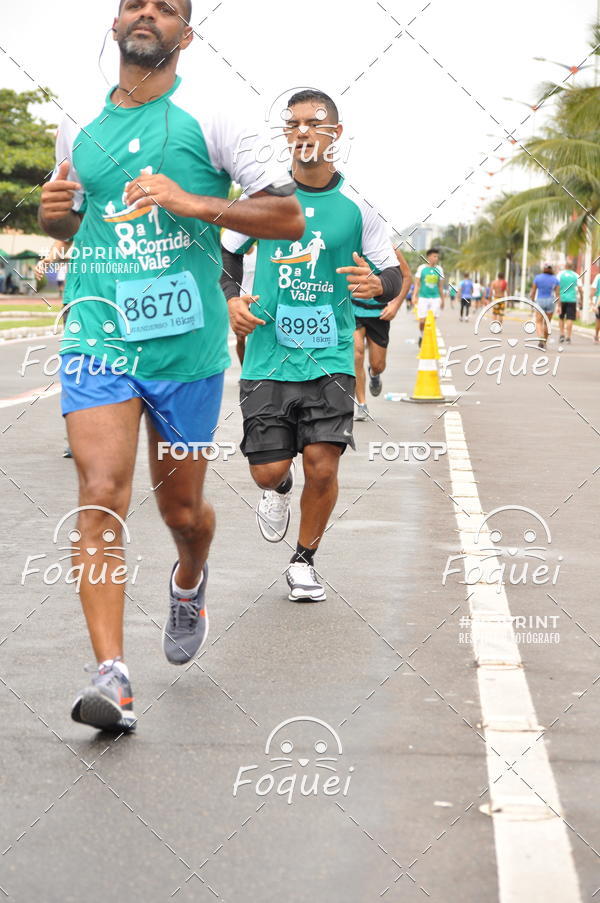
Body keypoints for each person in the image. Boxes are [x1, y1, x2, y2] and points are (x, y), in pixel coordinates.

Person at [38, 0, 303, 733]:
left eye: (166, 6)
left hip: (186, 344)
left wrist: (191, 201)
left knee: (182, 511)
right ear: (115, 26)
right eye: (133, 4)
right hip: (98, 333)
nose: (146, 13)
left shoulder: (215, 117)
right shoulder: (78, 124)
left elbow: (286, 218)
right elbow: (70, 220)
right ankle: (111, 677)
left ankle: (190, 576)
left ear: (187, 34)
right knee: (99, 492)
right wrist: (52, 212)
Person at [221, 89, 401, 603]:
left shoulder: (357, 207)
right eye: (293, 123)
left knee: (323, 464)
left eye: (314, 123)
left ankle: (304, 562)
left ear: (334, 135)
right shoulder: (262, 200)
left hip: (330, 358)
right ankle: (277, 490)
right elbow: (224, 255)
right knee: (268, 469)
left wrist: (379, 287)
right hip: (267, 358)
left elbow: (388, 269)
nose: (302, 132)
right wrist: (232, 300)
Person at [353, 246, 411, 419]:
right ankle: (361, 404)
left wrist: (395, 305)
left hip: (379, 314)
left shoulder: (389, 249)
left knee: (378, 364)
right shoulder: (353, 244)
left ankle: (374, 374)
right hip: (353, 310)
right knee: (357, 354)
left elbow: (406, 277)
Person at [413, 248, 445, 342]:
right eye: (434, 256)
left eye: (437, 257)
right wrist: (414, 296)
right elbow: (417, 284)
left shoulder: (439, 269)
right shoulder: (422, 268)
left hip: (435, 298)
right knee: (422, 320)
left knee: (432, 320)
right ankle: (421, 335)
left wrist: (442, 300)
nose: (436, 258)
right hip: (423, 297)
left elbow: (440, 286)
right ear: (429, 257)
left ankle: (429, 339)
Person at [530, 263, 559, 349]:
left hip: (540, 301)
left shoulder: (538, 278)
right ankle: (545, 342)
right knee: (547, 323)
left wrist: (532, 301)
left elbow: (533, 291)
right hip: (551, 301)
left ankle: (541, 338)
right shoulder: (555, 279)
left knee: (538, 322)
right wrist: (559, 305)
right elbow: (557, 294)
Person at [557, 258, 581, 344]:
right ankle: (568, 336)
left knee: (561, 317)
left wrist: (557, 299)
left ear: (565, 266)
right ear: (572, 267)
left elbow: (557, 287)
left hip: (562, 299)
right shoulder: (576, 275)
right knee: (570, 318)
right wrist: (581, 298)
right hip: (572, 300)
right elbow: (580, 288)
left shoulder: (560, 274)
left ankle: (562, 334)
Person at [592, 272, 600, 343]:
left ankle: (596, 336)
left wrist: (592, 302)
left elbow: (593, 289)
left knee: (598, 319)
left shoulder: (598, 276)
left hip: (598, 301)